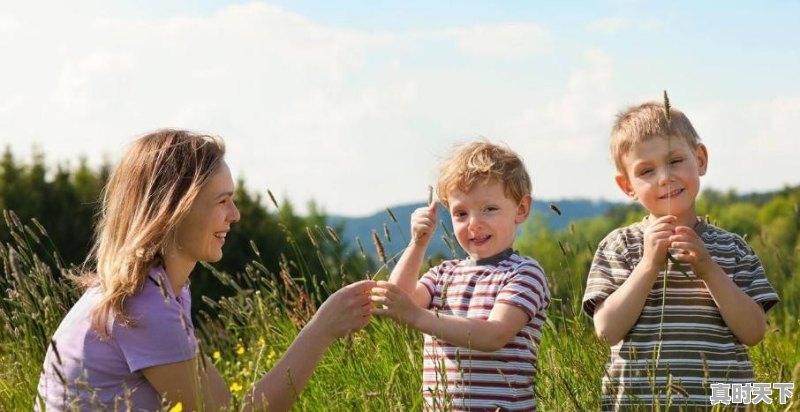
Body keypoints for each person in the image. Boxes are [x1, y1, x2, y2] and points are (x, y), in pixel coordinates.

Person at [35, 129, 375, 411]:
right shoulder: (143, 306)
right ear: (175, 210)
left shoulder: (161, 290)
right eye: (222, 201)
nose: (235, 215)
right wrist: (322, 329)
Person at [582, 102, 780, 410]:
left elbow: (754, 332)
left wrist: (709, 269)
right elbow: (606, 331)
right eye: (646, 171)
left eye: (675, 161)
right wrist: (648, 265)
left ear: (699, 159)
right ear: (626, 185)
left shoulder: (734, 249)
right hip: (641, 404)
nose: (664, 177)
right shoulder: (620, 246)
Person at [371, 141, 551, 411]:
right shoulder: (443, 273)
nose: (473, 223)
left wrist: (417, 316)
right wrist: (418, 243)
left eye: (489, 208)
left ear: (521, 209)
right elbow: (397, 301)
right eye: (460, 213)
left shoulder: (524, 272)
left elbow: (494, 335)